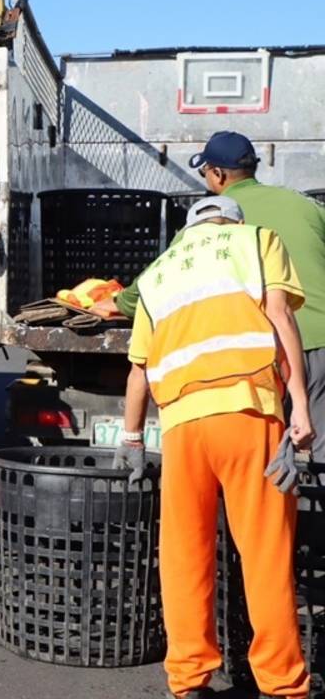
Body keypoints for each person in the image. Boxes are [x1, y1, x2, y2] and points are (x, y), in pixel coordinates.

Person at [117, 196, 314, 699]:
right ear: (232, 221)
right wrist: (301, 412)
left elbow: (138, 370)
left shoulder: (158, 275)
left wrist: (134, 437)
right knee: (265, 553)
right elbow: (281, 320)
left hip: (182, 426)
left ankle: (187, 680)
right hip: (248, 412)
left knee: (185, 553)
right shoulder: (257, 241)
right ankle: (282, 683)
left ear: (190, 230)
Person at [117, 131, 325, 460]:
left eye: (205, 174)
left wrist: (117, 301)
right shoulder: (305, 205)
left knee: (261, 462)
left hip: (263, 352)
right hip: (320, 343)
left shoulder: (208, 227)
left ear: (218, 174)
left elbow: (154, 282)